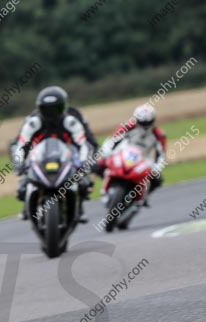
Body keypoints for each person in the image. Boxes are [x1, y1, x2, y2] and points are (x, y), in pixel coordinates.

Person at [12, 86, 97, 221]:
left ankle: (78, 208)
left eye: (55, 109)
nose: (51, 113)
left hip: (67, 155)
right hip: (40, 156)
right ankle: (27, 206)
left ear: (63, 107)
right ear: (40, 108)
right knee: (22, 186)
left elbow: (83, 143)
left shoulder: (71, 121)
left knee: (84, 183)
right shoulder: (33, 122)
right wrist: (19, 163)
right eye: (47, 109)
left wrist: (83, 162)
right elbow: (20, 144)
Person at [98, 103, 167, 205]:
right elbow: (113, 140)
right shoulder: (128, 127)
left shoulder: (158, 134)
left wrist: (157, 168)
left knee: (158, 179)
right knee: (99, 164)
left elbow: (161, 154)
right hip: (124, 153)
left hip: (143, 159)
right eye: (142, 122)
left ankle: (144, 197)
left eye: (148, 122)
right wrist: (107, 152)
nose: (145, 126)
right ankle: (106, 189)